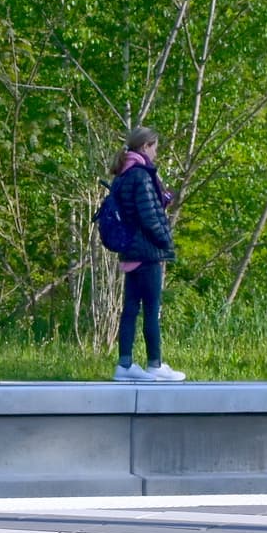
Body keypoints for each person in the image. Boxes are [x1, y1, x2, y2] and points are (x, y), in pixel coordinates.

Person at [105, 125, 183, 382]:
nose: (156, 153)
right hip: (147, 251)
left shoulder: (122, 175)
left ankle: (125, 365)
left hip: (129, 251)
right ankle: (154, 364)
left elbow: (135, 208)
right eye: (155, 148)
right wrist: (165, 242)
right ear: (145, 147)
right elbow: (149, 216)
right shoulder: (141, 174)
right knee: (151, 309)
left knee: (129, 309)